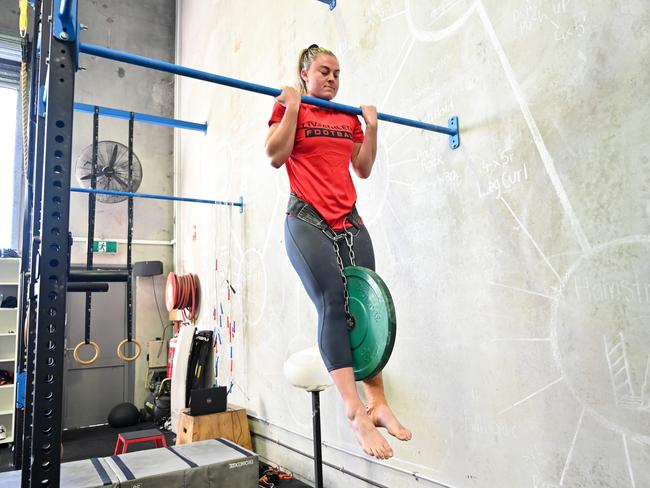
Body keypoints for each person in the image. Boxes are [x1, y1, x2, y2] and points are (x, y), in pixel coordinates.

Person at [265, 44, 412, 460]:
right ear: (305, 73)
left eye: (337, 74)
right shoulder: (290, 105)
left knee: (367, 304)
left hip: (348, 217)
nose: (331, 79)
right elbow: (275, 155)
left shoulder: (347, 117)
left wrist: (372, 126)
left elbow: (362, 168)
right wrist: (292, 107)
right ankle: (355, 412)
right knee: (333, 300)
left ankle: (378, 403)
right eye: (324, 71)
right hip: (306, 218)